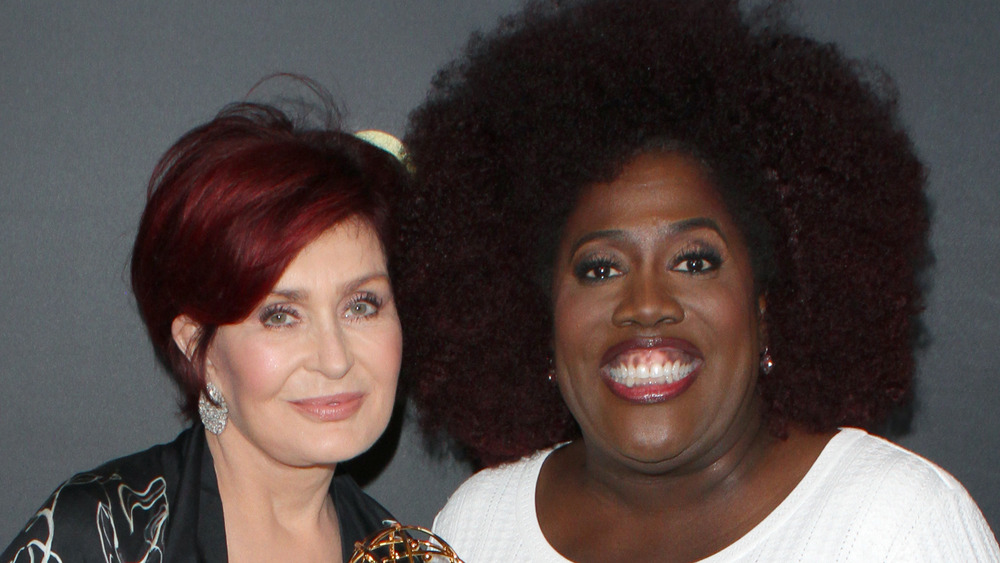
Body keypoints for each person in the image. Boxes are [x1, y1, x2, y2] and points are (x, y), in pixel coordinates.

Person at [394, 0, 1000, 560]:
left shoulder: (894, 525)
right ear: (540, 316)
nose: (647, 304)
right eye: (600, 268)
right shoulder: (477, 527)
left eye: (695, 260)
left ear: (767, 306)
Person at [2, 101, 407, 562]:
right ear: (199, 346)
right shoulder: (104, 536)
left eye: (361, 305)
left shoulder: (405, 554)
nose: (335, 359)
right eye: (280, 316)